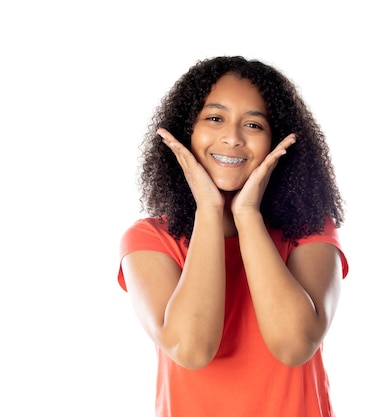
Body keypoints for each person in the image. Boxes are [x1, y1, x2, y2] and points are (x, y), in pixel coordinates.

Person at [117, 55, 349, 416]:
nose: (233, 137)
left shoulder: (310, 230)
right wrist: (208, 211)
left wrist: (247, 215)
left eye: (254, 125)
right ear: (186, 131)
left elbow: (294, 345)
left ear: (277, 140)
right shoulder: (149, 240)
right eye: (214, 118)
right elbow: (191, 350)